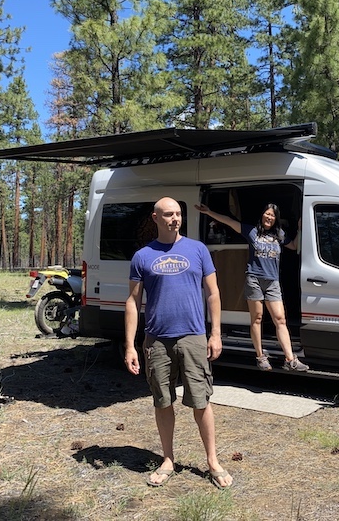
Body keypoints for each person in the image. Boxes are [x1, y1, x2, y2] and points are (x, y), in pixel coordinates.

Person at [124, 197, 233, 490]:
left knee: (201, 401)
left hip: (194, 337)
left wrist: (216, 333)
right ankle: (168, 459)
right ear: (155, 218)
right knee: (163, 401)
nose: (175, 219)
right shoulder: (142, 256)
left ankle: (212, 461)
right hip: (157, 340)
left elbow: (213, 293)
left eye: (178, 214)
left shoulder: (198, 250)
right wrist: (130, 345)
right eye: (169, 214)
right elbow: (133, 302)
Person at [194, 202, 309, 372]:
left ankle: (290, 359)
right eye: (267, 214)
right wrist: (210, 212)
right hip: (254, 279)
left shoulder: (279, 234)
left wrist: (300, 228)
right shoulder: (252, 231)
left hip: (273, 282)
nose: (269, 217)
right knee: (257, 318)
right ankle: (260, 356)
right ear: (262, 215)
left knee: (280, 319)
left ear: (276, 218)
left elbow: (293, 246)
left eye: (272, 215)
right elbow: (228, 221)